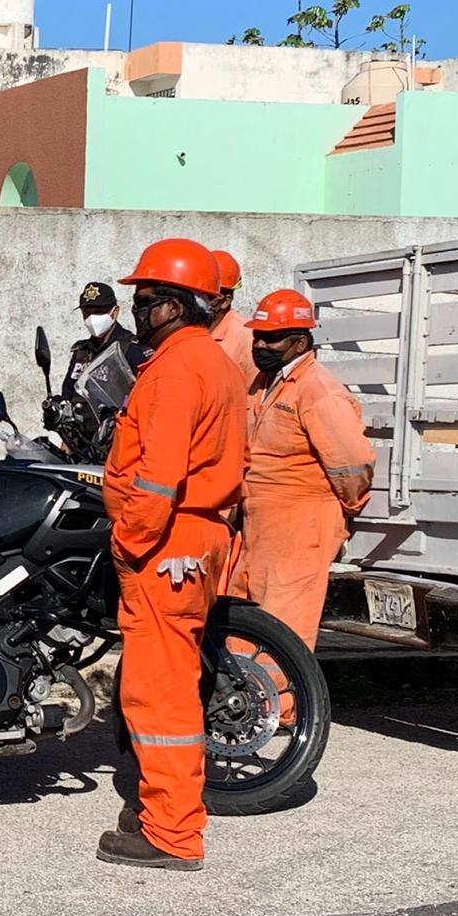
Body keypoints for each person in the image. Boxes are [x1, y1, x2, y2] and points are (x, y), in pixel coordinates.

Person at [98, 238, 247, 872]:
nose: (136, 309)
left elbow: (157, 477)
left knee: (160, 692)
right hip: (194, 536)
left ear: (174, 305)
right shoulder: (209, 362)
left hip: (166, 541)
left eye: (145, 299)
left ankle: (172, 833)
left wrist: (130, 543)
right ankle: (163, 805)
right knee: (167, 680)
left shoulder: (176, 369)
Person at [230, 289, 374, 651]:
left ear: (300, 342)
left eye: (272, 338)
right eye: (257, 336)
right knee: (244, 621)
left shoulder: (318, 390)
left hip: (301, 524)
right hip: (259, 523)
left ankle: (284, 707)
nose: (261, 344)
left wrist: (348, 510)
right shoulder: (262, 385)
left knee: (282, 627)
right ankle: (244, 703)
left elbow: (352, 462)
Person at [61, 281, 147, 400]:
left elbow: (144, 395)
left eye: (99, 312)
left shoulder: (131, 349)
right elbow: (68, 392)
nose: (92, 318)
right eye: (87, 313)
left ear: (115, 312)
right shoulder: (82, 351)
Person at [208, 250, 259, 389]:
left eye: (206, 295)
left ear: (225, 301)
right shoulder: (186, 328)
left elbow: (254, 394)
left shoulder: (247, 337)